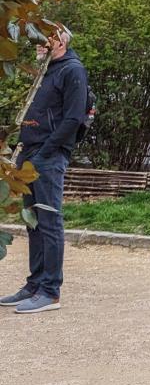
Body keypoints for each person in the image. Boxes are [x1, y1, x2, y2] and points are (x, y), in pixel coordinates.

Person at [0, 27, 88, 314]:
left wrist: (47, 151)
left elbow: (74, 117)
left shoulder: (72, 70)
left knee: (49, 222)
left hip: (48, 158)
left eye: (44, 40)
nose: (38, 44)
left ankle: (50, 291)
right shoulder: (46, 71)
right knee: (33, 222)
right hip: (30, 154)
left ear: (59, 42)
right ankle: (34, 284)